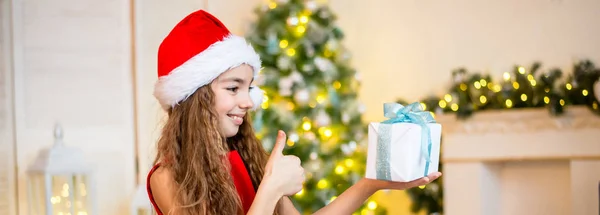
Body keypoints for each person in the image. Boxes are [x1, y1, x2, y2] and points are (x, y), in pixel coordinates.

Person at [146, 9, 441, 215]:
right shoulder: (168, 177)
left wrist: (371, 185)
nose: (249, 102)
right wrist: (271, 189)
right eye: (233, 88)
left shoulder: (244, 160)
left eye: (249, 89)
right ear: (195, 98)